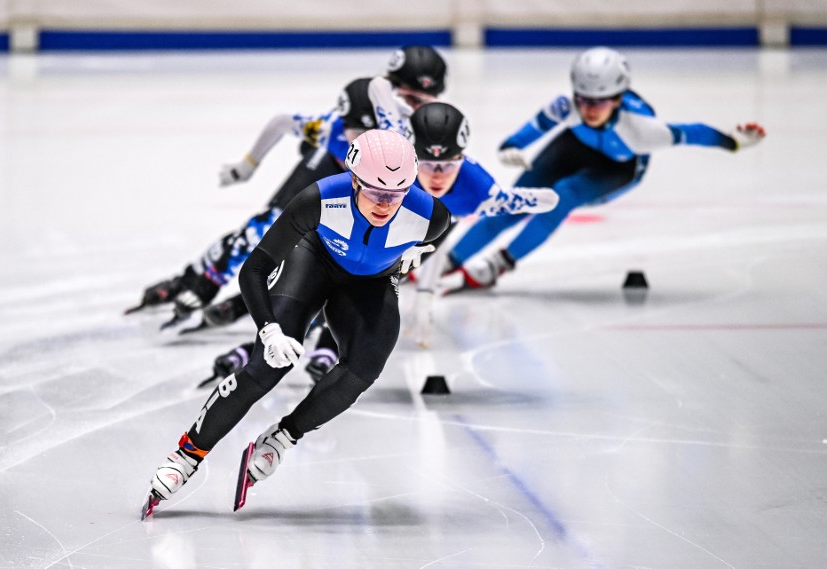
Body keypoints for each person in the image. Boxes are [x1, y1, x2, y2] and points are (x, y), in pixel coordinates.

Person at [143, 129, 451, 518]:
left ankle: (282, 438)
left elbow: (441, 228)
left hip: (370, 283)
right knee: (267, 366)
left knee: (366, 366)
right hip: (311, 266)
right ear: (354, 179)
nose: (385, 204)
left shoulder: (429, 215)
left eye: (396, 194)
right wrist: (268, 329)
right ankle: (187, 454)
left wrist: (419, 252)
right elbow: (253, 270)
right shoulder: (319, 199)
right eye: (374, 191)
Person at [201, 101, 561, 386]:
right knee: (319, 270)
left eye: (447, 165)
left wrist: (425, 297)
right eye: (428, 164)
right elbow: (378, 94)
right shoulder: (394, 161)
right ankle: (258, 323)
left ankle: (323, 340)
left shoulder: (479, 193)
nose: (436, 176)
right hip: (346, 236)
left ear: (463, 159)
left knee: (363, 283)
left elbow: (441, 245)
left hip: (395, 248)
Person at [125, 46, 448, 324]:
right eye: (407, 97)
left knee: (332, 251)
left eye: (421, 101)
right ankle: (200, 279)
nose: (414, 107)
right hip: (327, 170)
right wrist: (246, 166)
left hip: (367, 190)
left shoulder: (414, 138)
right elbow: (282, 122)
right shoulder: (333, 129)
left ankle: (251, 297)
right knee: (266, 228)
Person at [440, 46, 767, 291]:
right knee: (512, 201)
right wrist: (511, 148)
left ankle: (500, 264)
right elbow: (529, 131)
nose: (589, 109)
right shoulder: (567, 107)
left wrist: (732, 141)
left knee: (564, 195)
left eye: (599, 102)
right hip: (573, 147)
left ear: (619, 97)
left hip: (618, 166)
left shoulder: (642, 129)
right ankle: (448, 261)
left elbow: (693, 132)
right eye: (582, 100)